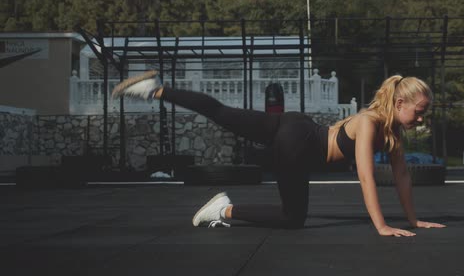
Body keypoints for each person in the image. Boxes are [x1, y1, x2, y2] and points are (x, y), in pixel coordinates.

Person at [112, 70, 446, 236]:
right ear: (399, 103)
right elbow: (364, 174)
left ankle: (154, 89)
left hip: (296, 126)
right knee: (292, 219)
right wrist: (382, 226)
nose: (421, 118)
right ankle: (224, 210)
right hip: (299, 146)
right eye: (418, 111)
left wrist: (414, 220)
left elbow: (401, 175)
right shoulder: (370, 122)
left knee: (221, 111)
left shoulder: (393, 134)